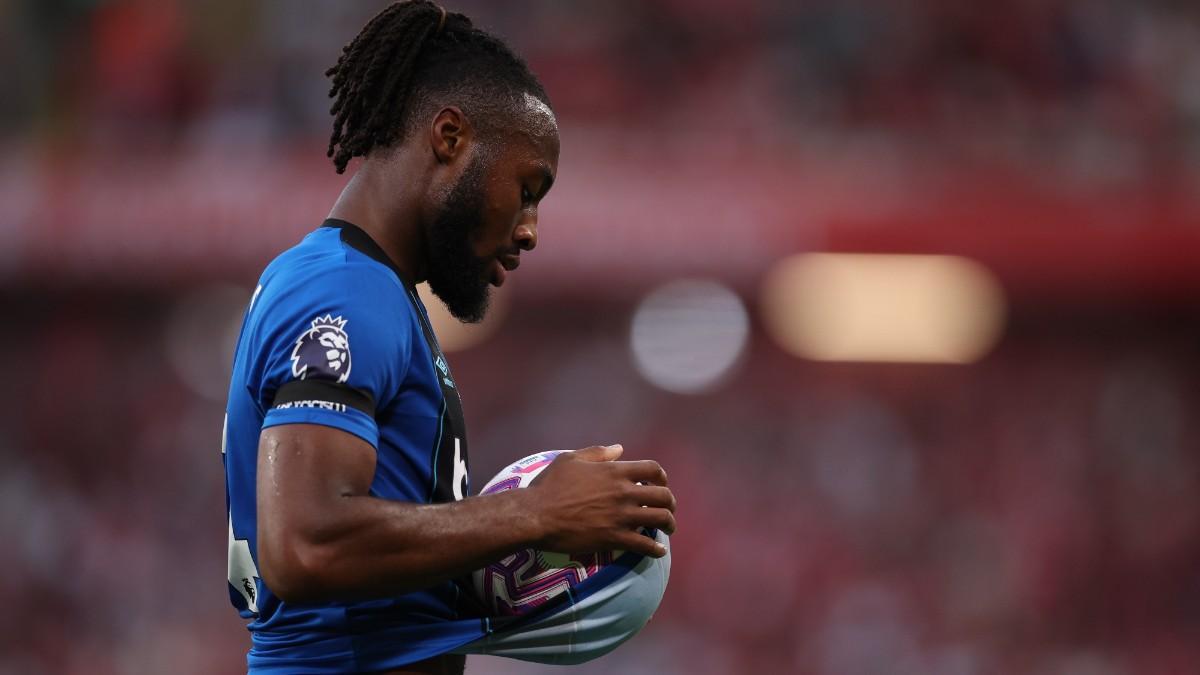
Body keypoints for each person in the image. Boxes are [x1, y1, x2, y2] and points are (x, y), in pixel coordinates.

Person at [220, 2, 677, 673]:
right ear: (449, 137)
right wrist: (535, 514)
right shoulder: (345, 290)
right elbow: (305, 545)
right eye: (526, 188)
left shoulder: (374, 294)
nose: (530, 229)